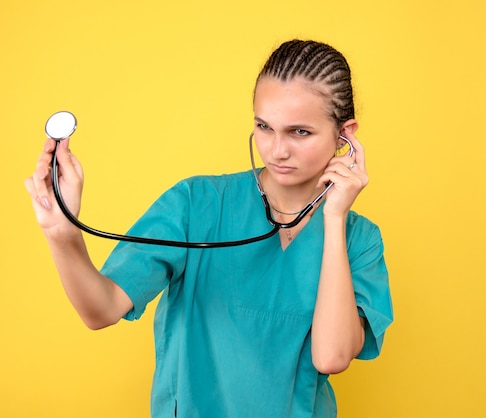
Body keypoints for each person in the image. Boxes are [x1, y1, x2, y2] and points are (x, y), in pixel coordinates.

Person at [25, 39, 393, 418]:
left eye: (300, 132)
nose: (277, 150)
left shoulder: (359, 240)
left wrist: (333, 219)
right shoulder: (196, 203)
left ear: (344, 135)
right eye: (264, 126)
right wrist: (62, 234)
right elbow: (101, 310)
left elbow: (331, 357)